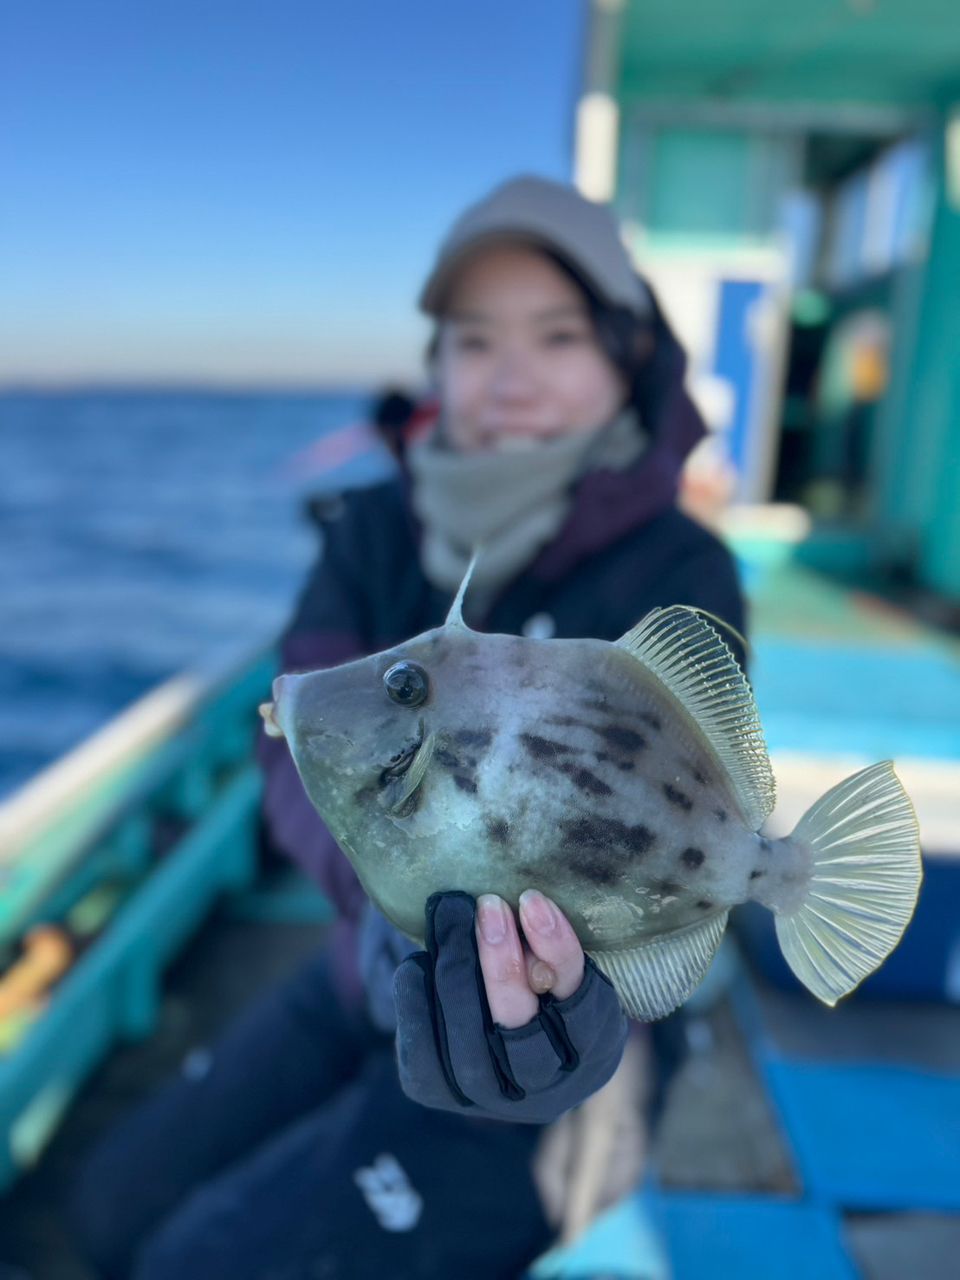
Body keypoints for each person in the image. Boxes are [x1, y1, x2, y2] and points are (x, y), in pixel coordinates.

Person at [69, 175, 745, 1279]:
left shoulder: (680, 565)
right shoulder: (380, 526)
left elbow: (694, 787)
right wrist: (375, 918)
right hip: (359, 969)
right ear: (437, 365)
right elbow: (295, 724)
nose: (511, 374)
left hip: (551, 1049)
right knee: (107, 1211)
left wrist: (582, 1001)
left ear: (628, 356)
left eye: (558, 335)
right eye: (474, 340)